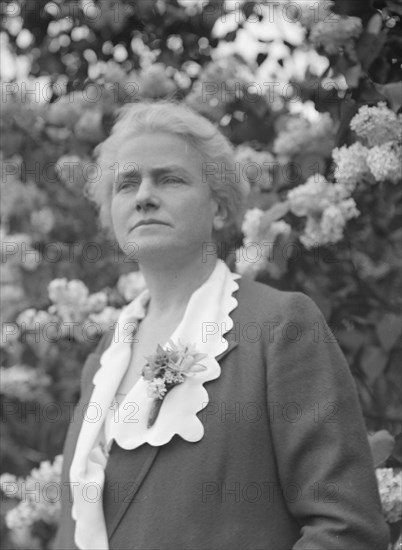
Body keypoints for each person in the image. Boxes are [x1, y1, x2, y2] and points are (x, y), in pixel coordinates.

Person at [53, 100, 389, 550]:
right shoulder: (104, 357)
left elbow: (347, 529)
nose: (143, 196)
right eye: (126, 184)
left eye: (169, 178)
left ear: (219, 209)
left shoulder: (279, 326)